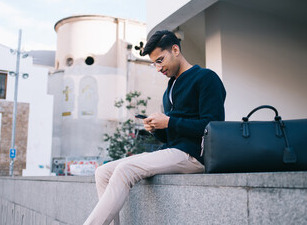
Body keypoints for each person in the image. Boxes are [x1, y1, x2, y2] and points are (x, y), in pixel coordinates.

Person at [83, 30, 226, 225]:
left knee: (126, 168)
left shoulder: (206, 78)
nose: (158, 68)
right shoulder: (169, 89)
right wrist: (157, 129)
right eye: (154, 63)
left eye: (160, 60)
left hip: (195, 155)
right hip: (174, 152)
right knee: (102, 172)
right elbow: (171, 137)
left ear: (175, 49)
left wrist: (169, 122)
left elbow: (213, 126)